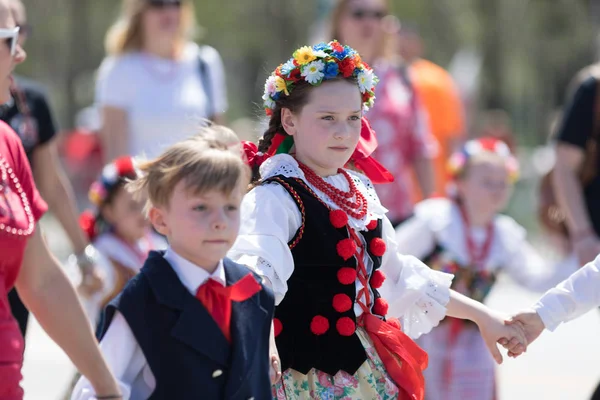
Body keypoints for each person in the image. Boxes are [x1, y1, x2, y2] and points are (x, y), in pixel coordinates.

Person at [227, 40, 525, 400]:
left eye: (353, 118)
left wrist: (481, 315)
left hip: (364, 372)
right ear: (290, 119)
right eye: (327, 118)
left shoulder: (359, 189)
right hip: (299, 377)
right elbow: (252, 277)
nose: (343, 131)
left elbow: (400, 274)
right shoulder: (275, 197)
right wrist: (263, 342)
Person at [71, 130, 277, 400]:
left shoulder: (254, 289)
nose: (220, 221)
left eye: (230, 207)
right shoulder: (142, 299)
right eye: (201, 208)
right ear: (159, 219)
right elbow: (96, 389)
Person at [0, 0, 121, 397]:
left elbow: (44, 279)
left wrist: (106, 389)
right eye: (10, 39)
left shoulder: (9, 144)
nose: (21, 53)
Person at [394, 137, 575, 400]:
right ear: (461, 182)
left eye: (503, 183)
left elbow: (536, 277)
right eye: (487, 182)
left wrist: (576, 255)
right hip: (425, 334)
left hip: (476, 339)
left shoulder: (504, 234)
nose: (497, 189)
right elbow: (392, 259)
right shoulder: (436, 220)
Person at [5, 0, 102, 337]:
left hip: (21, 254)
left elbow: (51, 183)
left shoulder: (32, 102)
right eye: (7, 33)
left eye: (21, 31)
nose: (18, 46)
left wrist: (82, 253)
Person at [329, 0, 437, 226]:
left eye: (378, 15)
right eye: (359, 14)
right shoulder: (321, 74)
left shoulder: (401, 76)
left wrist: (430, 207)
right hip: (338, 210)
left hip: (397, 213)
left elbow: (421, 146)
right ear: (339, 20)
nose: (369, 22)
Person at [97, 0, 228, 162]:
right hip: (143, 185)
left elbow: (220, 143)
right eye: (158, 4)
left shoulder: (206, 62)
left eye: (176, 3)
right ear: (139, 10)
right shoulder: (118, 68)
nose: (169, 12)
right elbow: (116, 159)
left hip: (200, 184)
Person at [77, 156, 166, 326]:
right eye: (133, 206)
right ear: (109, 211)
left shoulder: (158, 244)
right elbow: (90, 286)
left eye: (146, 204)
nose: (142, 213)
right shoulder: (102, 252)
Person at [396, 22, 466, 197]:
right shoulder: (383, 76)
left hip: (432, 182)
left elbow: (452, 135)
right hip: (400, 185)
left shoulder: (436, 79)